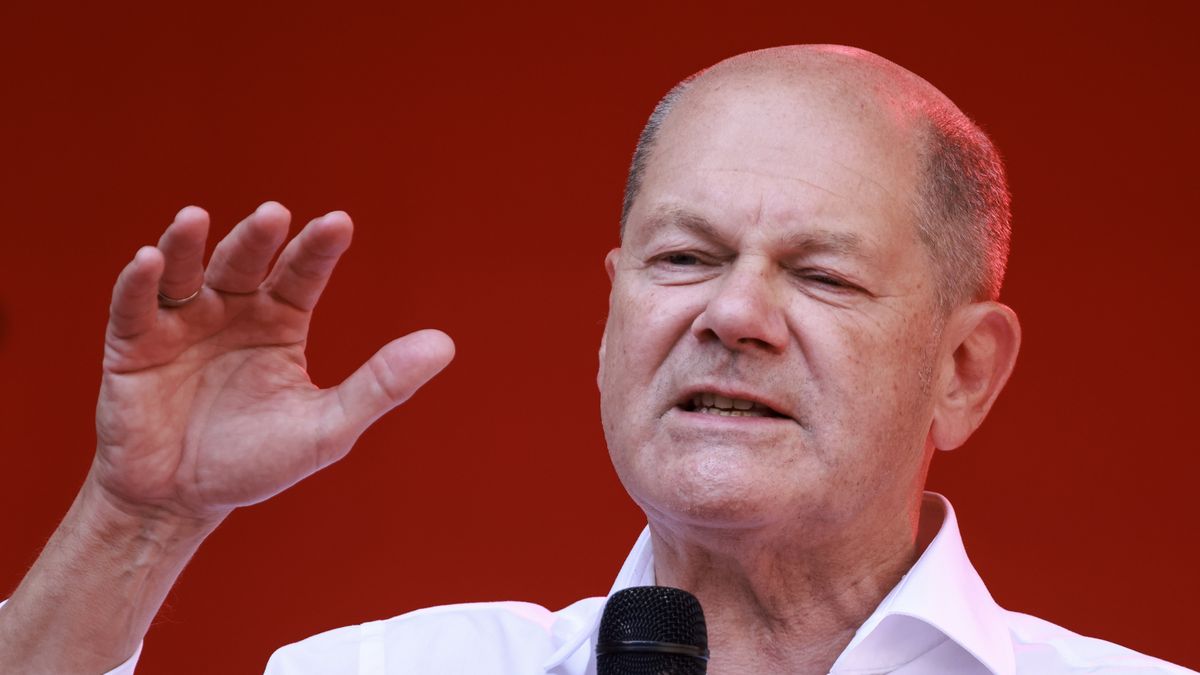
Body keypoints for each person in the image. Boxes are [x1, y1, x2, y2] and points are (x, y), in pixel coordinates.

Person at [0, 44, 1190, 675]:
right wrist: (134, 521)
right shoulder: (392, 674)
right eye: (684, 258)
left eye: (820, 276)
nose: (736, 315)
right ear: (614, 315)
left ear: (965, 370)